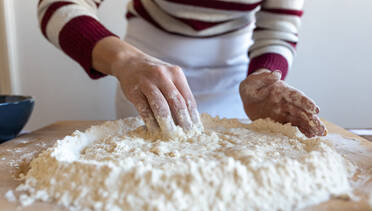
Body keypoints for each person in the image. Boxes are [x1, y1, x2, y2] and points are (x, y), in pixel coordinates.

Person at [37, 0, 326, 137]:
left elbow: (278, 29)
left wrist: (265, 80)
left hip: (235, 88)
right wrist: (126, 61)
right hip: (145, 77)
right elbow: (57, 6)